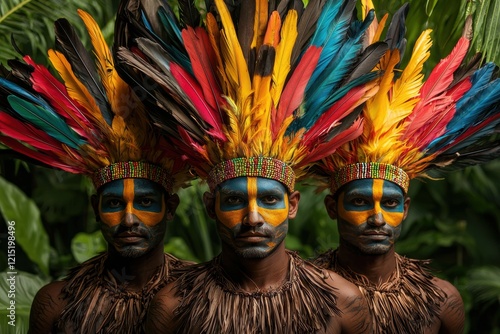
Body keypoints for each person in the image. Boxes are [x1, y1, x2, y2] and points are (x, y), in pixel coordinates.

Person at [113, 0, 390, 332]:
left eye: (270, 199)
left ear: (293, 205)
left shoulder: (343, 302)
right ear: (210, 206)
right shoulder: (171, 308)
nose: (253, 218)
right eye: (234, 200)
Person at [309, 1, 500, 333]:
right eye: (359, 202)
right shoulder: (303, 294)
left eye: (391, 203)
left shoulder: (441, 300)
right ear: (331, 207)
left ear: (407, 207)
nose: (378, 217)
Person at [0, 10, 192, 333]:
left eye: (144, 203)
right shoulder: (56, 304)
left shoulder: (201, 299)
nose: (129, 218)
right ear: (96, 208)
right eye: (115, 204)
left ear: (169, 207)